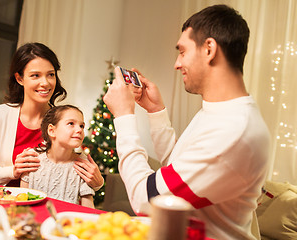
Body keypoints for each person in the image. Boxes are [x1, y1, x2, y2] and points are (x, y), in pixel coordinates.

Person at [103, 4, 270, 240]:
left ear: (209, 49)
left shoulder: (233, 130)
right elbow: (182, 169)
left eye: (182, 51)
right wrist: (155, 111)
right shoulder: (218, 111)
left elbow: (146, 200)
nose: (176, 64)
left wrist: (123, 116)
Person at [0, 42, 104, 190]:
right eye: (35, 75)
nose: (45, 83)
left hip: (50, 208)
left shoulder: (64, 122)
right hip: (2, 203)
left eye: (51, 75)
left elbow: (73, 173)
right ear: (19, 78)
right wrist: (13, 171)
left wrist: (98, 183)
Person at [20, 105, 94, 208]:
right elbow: (22, 201)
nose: (79, 130)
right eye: (71, 123)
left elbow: (89, 208)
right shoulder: (32, 158)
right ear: (52, 131)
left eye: (82, 126)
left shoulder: (83, 164)